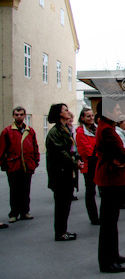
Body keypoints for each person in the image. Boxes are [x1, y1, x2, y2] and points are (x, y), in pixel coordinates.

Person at [94, 99, 125, 273]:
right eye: (116, 109)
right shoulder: (107, 130)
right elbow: (122, 151)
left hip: (112, 176)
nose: (119, 112)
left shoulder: (106, 127)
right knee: (109, 222)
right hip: (110, 177)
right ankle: (107, 261)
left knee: (112, 220)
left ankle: (113, 254)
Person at [0, 106, 40, 223]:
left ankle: (25, 211)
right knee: (14, 190)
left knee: (25, 189)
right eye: (16, 114)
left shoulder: (30, 131)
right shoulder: (7, 131)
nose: (19, 116)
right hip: (13, 165)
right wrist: (3, 164)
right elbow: (2, 149)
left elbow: (35, 147)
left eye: (21, 114)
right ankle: (14, 213)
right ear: (13, 116)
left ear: (24, 116)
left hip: (27, 165)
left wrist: (35, 161)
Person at [46, 103, 79, 241]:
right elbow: (61, 152)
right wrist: (75, 163)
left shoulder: (65, 129)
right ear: (59, 114)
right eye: (65, 110)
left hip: (66, 171)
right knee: (61, 205)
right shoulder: (55, 132)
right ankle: (60, 233)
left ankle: (63, 231)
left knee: (65, 204)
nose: (68, 112)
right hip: (59, 173)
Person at [75, 107, 100, 225]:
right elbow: (86, 149)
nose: (91, 118)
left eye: (92, 116)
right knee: (91, 191)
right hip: (89, 164)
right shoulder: (80, 131)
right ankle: (94, 217)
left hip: (98, 162)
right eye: (88, 116)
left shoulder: (96, 129)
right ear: (82, 118)